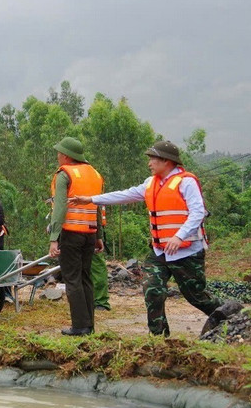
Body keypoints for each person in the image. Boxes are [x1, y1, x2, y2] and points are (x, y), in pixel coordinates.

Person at [70, 140, 223, 337]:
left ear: (166, 161)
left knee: (197, 297)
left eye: (153, 159)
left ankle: (231, 317)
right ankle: (159, 337)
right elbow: (125, 195)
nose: (149, 163)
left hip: (187, 252)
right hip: (160, 252)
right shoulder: (151, 183)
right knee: (152, 289)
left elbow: (198, 212)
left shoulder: (186, 182)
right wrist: (91, 199)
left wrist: (179, 236)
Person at [49, 137, 104, 336]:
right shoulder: (95, 174)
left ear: (66, 155)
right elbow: (98, 205)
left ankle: (80, 326)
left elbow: (60, 207)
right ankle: (89, 325)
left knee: (72, 279)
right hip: (89, 233)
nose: (57, 156)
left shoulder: (65, 174)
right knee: (86, 278)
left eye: (58, 153)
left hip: (71, 233)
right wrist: (99, 235)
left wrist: (54, 238)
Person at [92, 206, 111, 311]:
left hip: (90, 229)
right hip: (69, 229)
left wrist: (98, 236)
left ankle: (100, 301)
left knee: (96, 267)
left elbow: (96, 210)